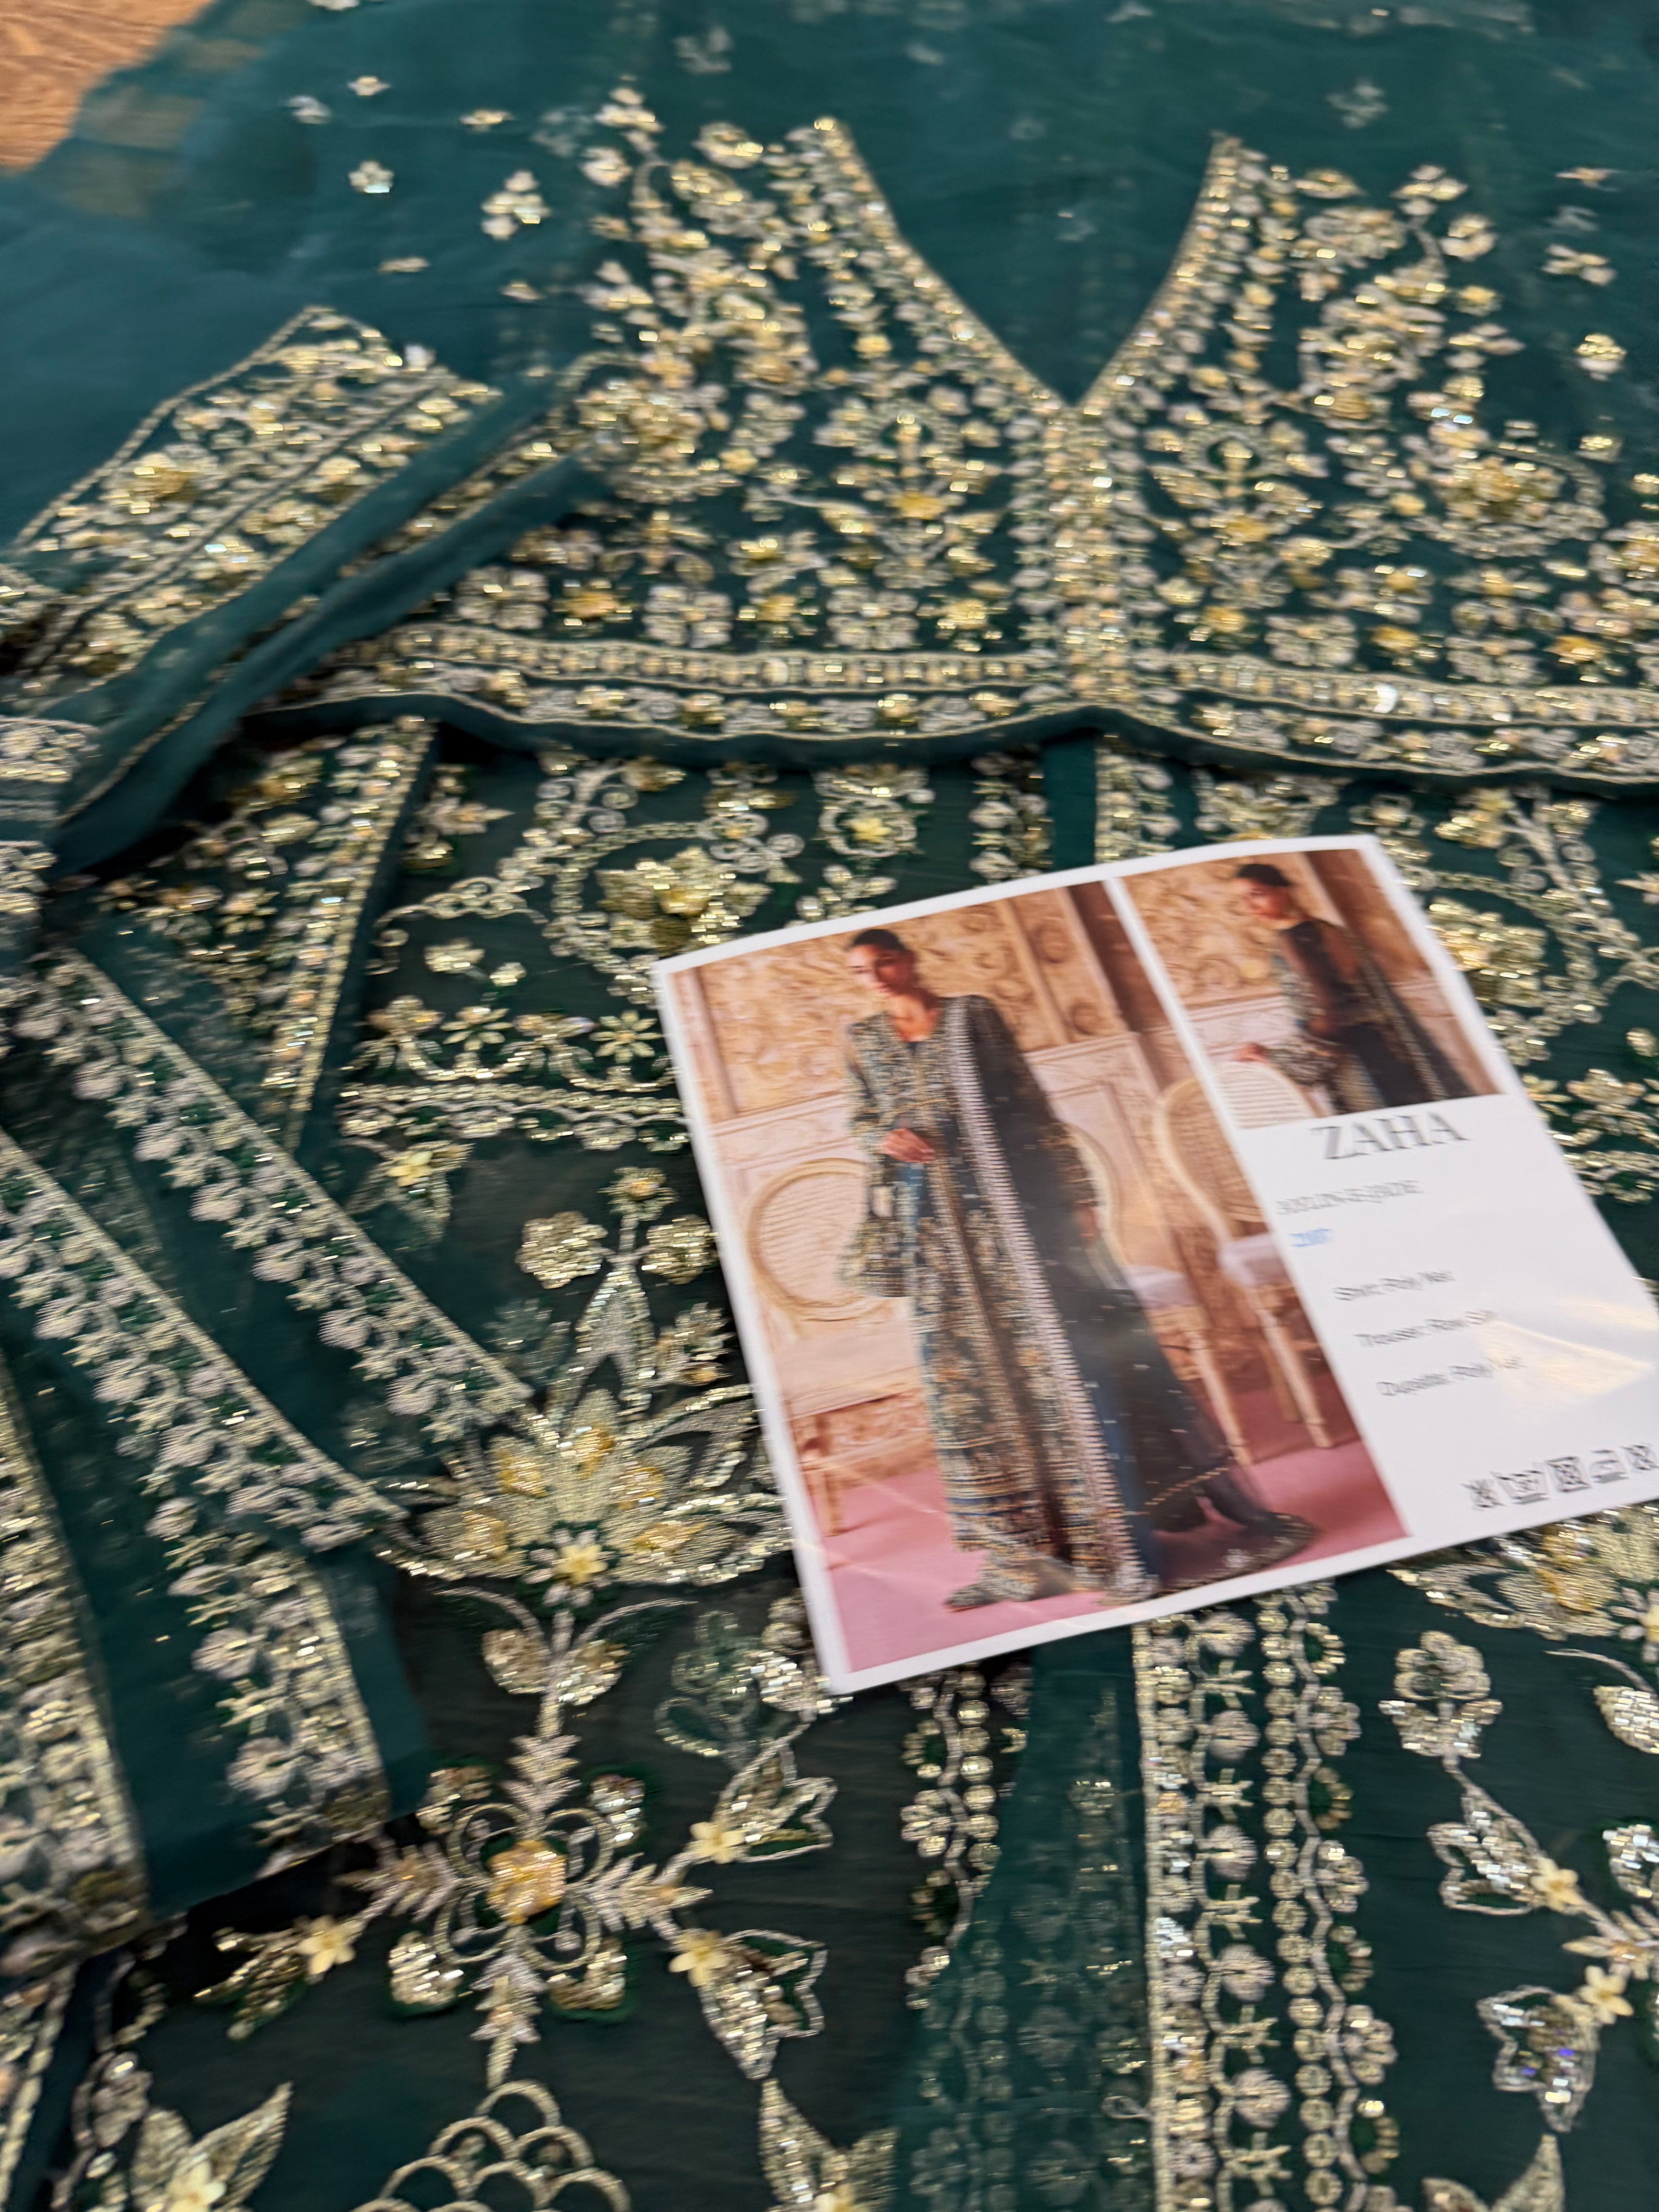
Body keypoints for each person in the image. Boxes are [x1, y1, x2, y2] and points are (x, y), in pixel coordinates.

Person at [838, 926, 1314, 1608]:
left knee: (1064, 1358)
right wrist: (880, 1136)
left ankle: (1114, 1536)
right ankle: (1023, 1551)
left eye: (885, 962)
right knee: (974, 1376)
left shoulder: (971, 1016)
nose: (877, 977)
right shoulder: (860, 1039)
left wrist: (1078, 1193)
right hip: (934, 1231)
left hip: (1018, 1210)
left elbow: (1030, 1105)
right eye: (863, 971)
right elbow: (859, 1117)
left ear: (910, 960)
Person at [1232, 862, 1472, 1111]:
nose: (1251, 907)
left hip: (1360, 1066)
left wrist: (1278, 1061)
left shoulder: (1297, 940)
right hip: (1390, 1051)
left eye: (1258, 895)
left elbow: (1331, 1016)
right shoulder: (1330, 929)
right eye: (1244, 899)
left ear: (1284, 891)